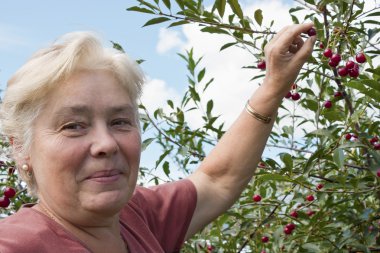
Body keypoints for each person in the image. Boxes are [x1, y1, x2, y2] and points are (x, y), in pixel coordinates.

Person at [0, 23, 316, 253]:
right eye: (73, 126)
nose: (106, 143)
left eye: (120, 121)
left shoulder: (136, 218)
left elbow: (217, 179)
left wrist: (274, 85)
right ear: (21, 149)